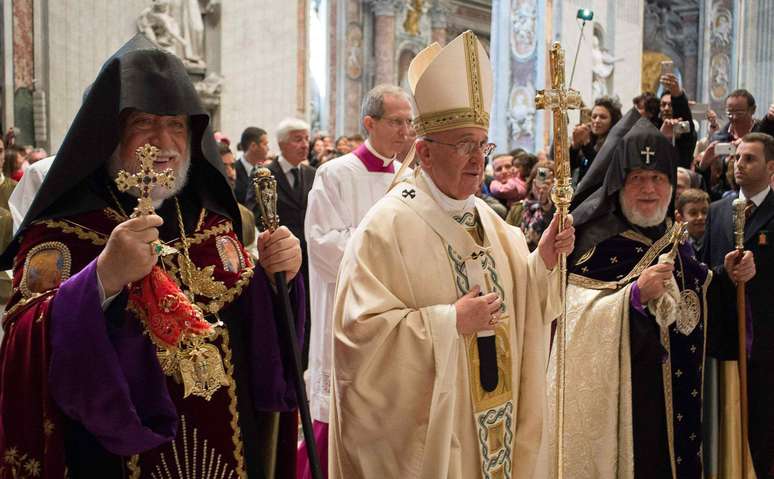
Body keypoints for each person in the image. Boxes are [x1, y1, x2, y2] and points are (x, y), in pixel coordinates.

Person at [0, 35, 306, 478]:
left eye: (177, 125)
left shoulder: (213, 225)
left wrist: (281, 278)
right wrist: (102, 279)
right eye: (145, 123)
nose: (164, 142)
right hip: (110, 458)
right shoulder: (62, 233)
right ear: (109, 133)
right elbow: (21, 348)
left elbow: (258, 336)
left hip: (227, 452)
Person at [328, 30, 574, 478]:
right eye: (463, 145)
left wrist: (544, 261)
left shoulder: (493, 222)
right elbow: (357, 339)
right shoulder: (385, 228)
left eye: (483, 145)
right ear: (423, 150)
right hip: (442, 438)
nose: (477, 159)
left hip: (498, 424)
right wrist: (447, 323)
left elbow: (522, 305)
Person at [538, 113, 754, 478]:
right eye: (638, 179)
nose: (649, 189)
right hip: (626, 412)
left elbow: (697, 298)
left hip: (683, 404)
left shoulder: (673, 238)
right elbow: (573, 325)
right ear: (619, 185)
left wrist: (729, 278)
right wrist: (633, 298)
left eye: (657, 178)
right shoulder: (594, 246)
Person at [299, 83, 413, 479]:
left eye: (409, 122)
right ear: (370, 122)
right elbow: (322, 243)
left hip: (399, 311)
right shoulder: (334, 174)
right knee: (340, 408)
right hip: (348, 307)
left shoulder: (409, 177)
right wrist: (388, 256)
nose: (405, 130)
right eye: (397, 121)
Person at [703, 132, 774, 478]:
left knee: (762, 437)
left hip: (764, 346)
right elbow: (702, 270)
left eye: (750, 159)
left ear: (771, 167)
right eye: (737, 158)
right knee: (722, 432)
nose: (739, 165)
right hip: (722, 340)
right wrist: (723, 273)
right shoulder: (717, 211)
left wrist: (757, 273)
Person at [248, 118, 315, 367]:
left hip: (309, 260)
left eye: (306, 139)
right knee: (283, 317)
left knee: (307, 315)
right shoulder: (266, 174)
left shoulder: (312, 174)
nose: (304, 145)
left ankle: (304, 362)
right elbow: (255, 212)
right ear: (282, 143)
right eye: (298, 139)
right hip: (280, 260)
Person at [570, 96, 622, 183]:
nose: (597, 121)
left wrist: (586, 144)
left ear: (612, 121)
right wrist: (575, 146)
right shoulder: (592, 139)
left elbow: (599, 170)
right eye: (594, 117)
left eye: (603, 117)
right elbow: (572, 166)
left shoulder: (616, 143)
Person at [505, 160, 556, 251]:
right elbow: (506, 240)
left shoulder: (561, 212)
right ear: (532, 182)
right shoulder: (518, 208)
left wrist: (545, 203)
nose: (544, 187)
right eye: (541, 179)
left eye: (550, 182)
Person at [657, 73, 697, 168]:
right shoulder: (653, 128)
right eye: (663, 104)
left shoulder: (685, 131)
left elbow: (685, 118)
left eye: (670, 105)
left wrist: (677, 93)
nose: (666, 108)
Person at [234, 126, 270, 205]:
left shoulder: (264, 171)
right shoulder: (233, 170)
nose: (268, 148)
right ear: (253, 146)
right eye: (265, 144)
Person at [675, 188, 709, 257]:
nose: (700, 217)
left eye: (704, 212)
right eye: (693, 213)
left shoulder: (718, 241)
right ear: (680, 218)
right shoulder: (677, 245)